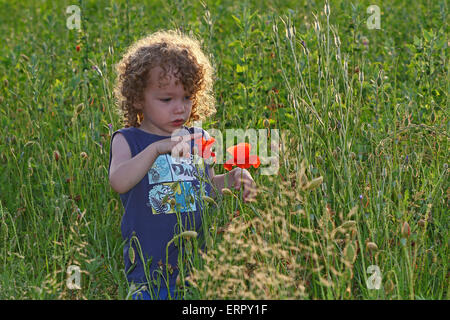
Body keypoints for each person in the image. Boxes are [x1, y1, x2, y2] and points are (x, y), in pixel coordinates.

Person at [108, 30, 257, 300]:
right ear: (138, 99)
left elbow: (207, 189)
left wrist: (233, 178)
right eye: (167, 99)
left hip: (195, 268)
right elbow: (119, 181)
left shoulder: (197, 138)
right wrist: (156, 149)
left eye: (187, 97)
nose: (179, 108)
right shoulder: (129, 139)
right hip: (150, 276)